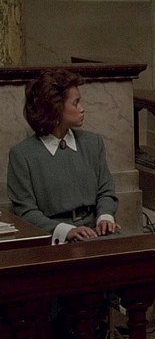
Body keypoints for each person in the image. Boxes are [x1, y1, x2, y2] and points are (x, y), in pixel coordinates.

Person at [7, 69, 120, 246]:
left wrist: (105, 217)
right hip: (53, 238)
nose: (82, 109)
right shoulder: (22, 155)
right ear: (56, 107)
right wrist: (66, 231)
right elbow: (25, 212)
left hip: (96, 231)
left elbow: (106, 191)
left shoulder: (92, 143)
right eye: (76, 103)